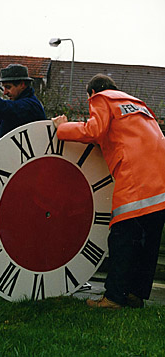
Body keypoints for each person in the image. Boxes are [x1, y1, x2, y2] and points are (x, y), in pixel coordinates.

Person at [52, 73, 165, 309]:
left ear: (92, 93)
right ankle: (135, 295)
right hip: (160, 181)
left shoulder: (103, 98)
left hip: (136, 180)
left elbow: (94, 131)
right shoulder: (138, 105)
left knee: (122, 237)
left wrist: (63, 128)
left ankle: (113, 298)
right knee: (148, 241)